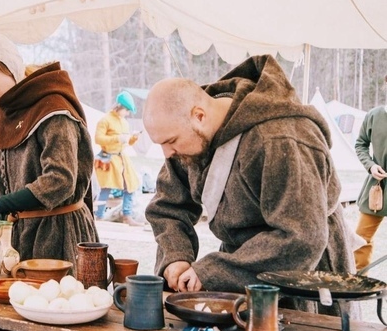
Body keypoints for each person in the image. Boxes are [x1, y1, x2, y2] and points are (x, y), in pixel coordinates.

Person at [142, 55, 360, 314]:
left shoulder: (281, 138)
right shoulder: (187, 135)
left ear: (199, 116)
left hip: (306, 277)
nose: (167, 154)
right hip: (241, 274)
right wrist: (175, 257)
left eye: (171, 141)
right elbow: (168, 208)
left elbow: (302, 238)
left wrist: (213, 272)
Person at [0, 31, 98, 269]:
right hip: (17, 237)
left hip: (59, 234)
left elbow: (60, 180)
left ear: (11, 69)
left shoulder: (53, 109)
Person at [94, 91, 143, 226]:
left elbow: (126, 142)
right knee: (106, 188)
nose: (127, 113)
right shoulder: (105, 120)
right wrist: (117, 138)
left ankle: (127, 215)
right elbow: (98, 139)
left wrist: (133, 138)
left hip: (122, 158)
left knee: (130, 186)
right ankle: (98, 215)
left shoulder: (124, 123)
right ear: (120, 107)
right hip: (108, 158)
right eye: (126, 110)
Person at [353, 101, 387, 270]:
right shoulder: (374, 115)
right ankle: (359, 284)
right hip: (377, 187)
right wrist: (371, 165)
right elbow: (361, 144)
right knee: (361, 239)